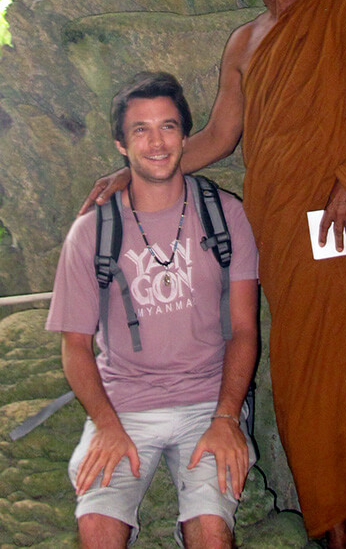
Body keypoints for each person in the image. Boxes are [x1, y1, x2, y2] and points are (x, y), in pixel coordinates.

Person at [80, 0, 346, 549]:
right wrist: (142, 169)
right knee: (308, 383)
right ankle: (335, 533)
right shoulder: (244, 44)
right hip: (282, 232)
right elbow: (221, 134)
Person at [46, 71, 259, 548]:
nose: (156, 141)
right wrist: (104, 423)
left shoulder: (227, 215)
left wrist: (227, 418)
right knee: (96, 529)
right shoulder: (90, 233)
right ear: (121, 144)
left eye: (167, 126)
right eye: (140, 129)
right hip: (123, 403)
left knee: (211, 532)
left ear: (185, 135)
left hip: (207, 400)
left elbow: (244, 330)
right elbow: (75, 345)